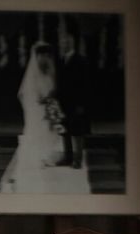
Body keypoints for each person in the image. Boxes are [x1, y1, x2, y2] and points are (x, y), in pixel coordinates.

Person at [0, 42, 66, 193]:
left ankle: (49, 178)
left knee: (52, 142)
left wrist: (52, 108)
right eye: (42, 55)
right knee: (35, 142)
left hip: (49, 115)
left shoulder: (50, 74)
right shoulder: (32, 77)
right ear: (36, 57)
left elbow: (53, 94)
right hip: (37, 116)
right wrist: (43, 109)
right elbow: (28, 99)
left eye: (47, 55)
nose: (45, 59)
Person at [54, 25, 91, 169]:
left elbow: (86, 85)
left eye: (68, 41)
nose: (66, 43)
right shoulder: (61, 60)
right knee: (65, 130)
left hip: (77, 103)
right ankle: (67, 157)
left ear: (73, 42)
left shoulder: (81, 60)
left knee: (78, 131)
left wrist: (82, 104)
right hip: (64, 103)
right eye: (64, 41)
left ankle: (77, 159)